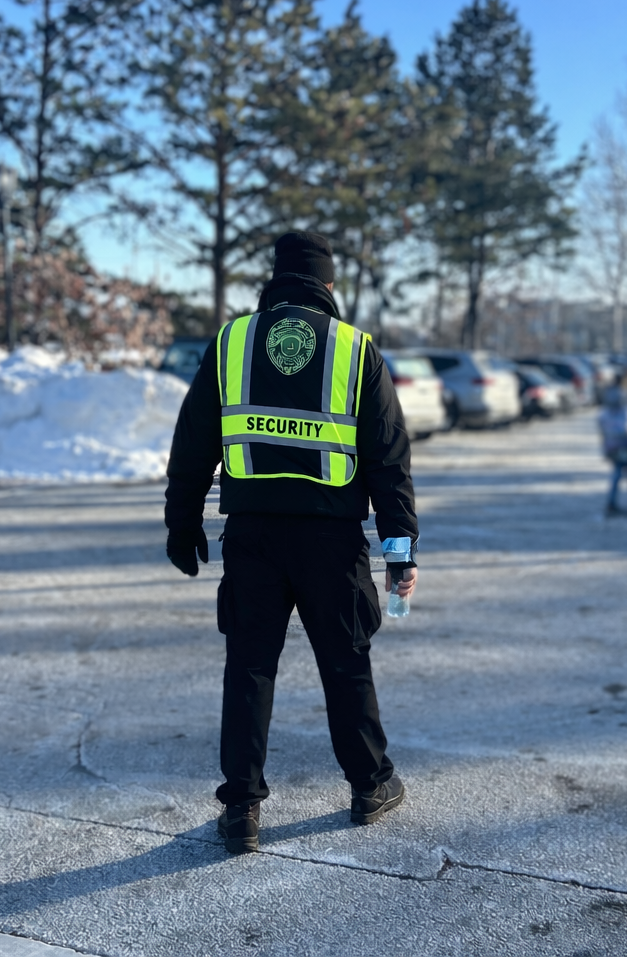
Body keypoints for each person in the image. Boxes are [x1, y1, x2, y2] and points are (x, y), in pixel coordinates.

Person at [164, 231, 419, 853]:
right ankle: (369, 785)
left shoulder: (232, 342)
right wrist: (399, 549)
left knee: (249, 668)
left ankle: (242, 809)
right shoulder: (356, 349)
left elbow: (194, 436)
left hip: (252, 536)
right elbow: (388, 458)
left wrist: (182, 517)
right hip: (332, 541)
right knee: (345, 663)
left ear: (274, 280)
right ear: (328, 286)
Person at [599, 375, 627, 514]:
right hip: (625, 443)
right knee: (624, 470)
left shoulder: (606, 404)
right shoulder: (625, 403)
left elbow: (602, 424)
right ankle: (616, 500)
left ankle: (620, 499)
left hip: (612, 443)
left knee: (622, 471)